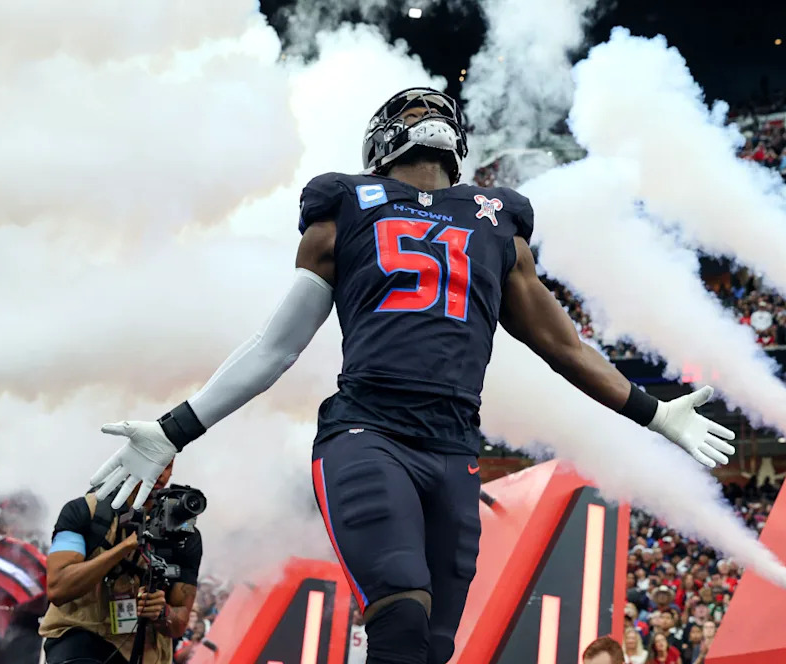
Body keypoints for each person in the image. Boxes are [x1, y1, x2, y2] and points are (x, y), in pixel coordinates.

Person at [87, 87, 736, 664]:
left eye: (434, 106)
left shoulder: (494, 216)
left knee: (431, 647)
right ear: (381, 138)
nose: (423, 110)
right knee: (399, 615)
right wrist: (176, 428)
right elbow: (275, 345)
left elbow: (562, 345)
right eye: (409, 106)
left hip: (454, 451)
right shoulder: (347, 202)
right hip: (367, 436)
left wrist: (652, 411)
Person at [41, 461, 201, 664]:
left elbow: (179, 624)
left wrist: (161, 611)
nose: (161, 474)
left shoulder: (184, 536)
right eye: (153, 463)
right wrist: (126, 546)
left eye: (167, 466)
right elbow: (58, 588)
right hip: (79, 635)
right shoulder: (85, 512)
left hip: (141, 650)